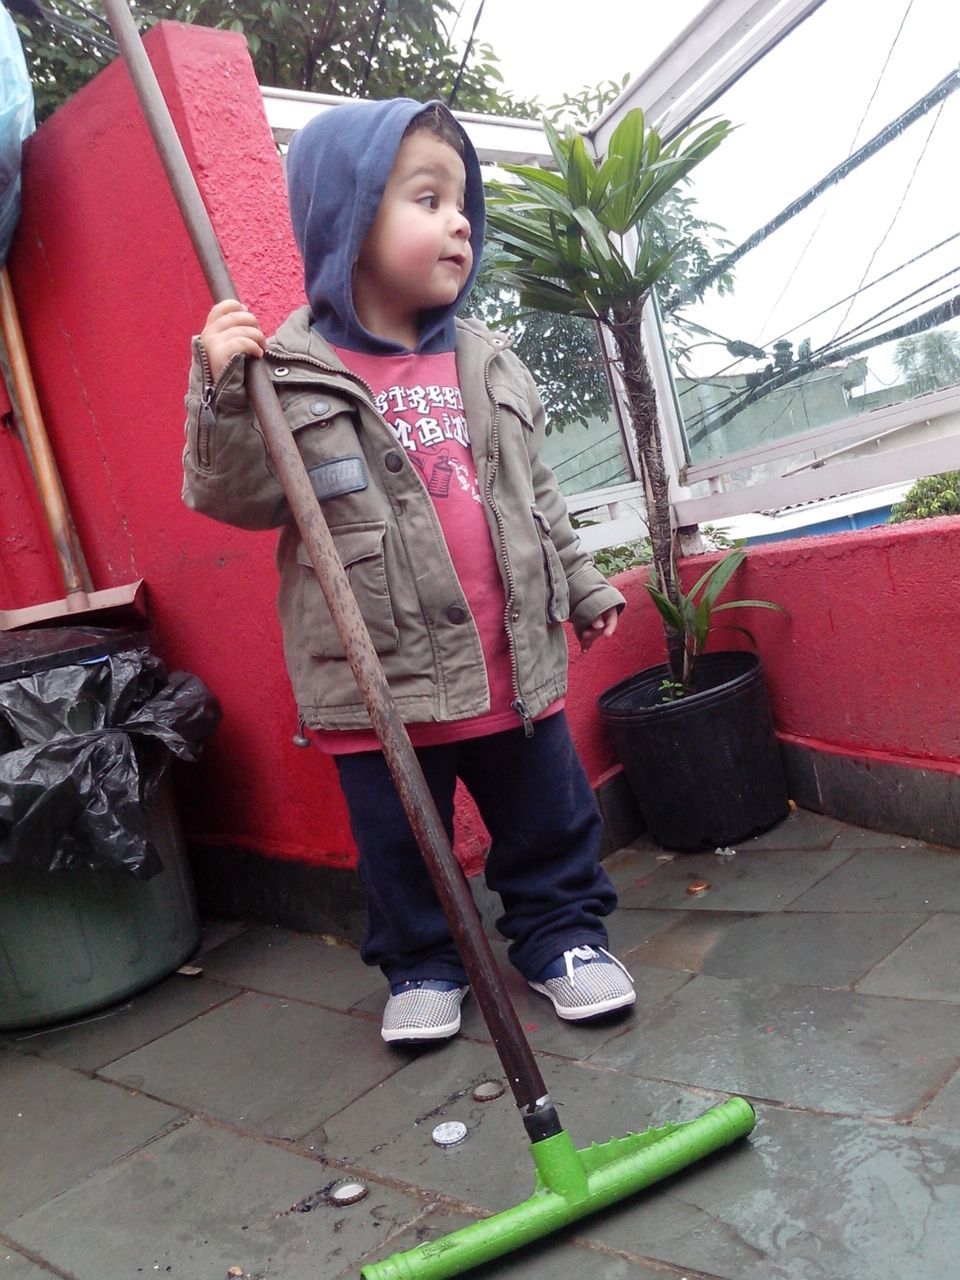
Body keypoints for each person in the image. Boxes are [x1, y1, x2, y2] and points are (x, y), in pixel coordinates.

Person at [182, 98, 635, 1045]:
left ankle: (560, 936)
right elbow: (236, 495)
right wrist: (225, 388)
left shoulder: (489, 361)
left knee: (547, 820)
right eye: (426, 198)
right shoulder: (286, 370)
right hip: (377, 677)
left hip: (512, 666)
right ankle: (425, 961)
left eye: (462, 202)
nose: (459, 221)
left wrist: (586, 584)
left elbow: (536, 491)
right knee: (401, 848)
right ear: (347, 215)